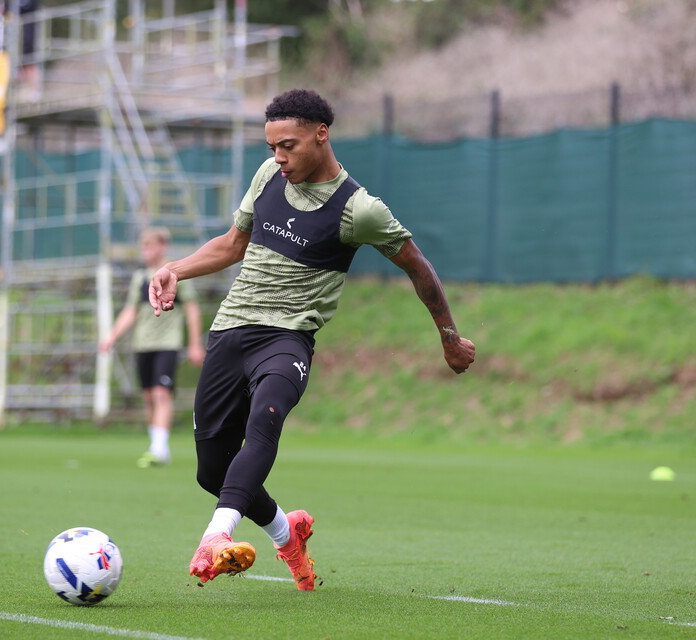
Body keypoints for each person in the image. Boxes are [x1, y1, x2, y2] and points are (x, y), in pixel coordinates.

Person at [148, 89, 476, 591]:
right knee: (212, 473)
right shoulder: (266, 175)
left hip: (287, 339)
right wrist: (174, 269)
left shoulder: (360, 209)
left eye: (289, 146)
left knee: (264, 421)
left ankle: (216, 537)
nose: (278, 158)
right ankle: (288, 531)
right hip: (230, 332)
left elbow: (418, 267)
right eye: (273, 147)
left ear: (321, 134)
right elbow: (232, 244)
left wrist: (449, 336)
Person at [99, 227, 206, 467]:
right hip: (142, 344)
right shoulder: (140, 277)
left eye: (150, 246)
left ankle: (159, 448)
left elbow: (191, 307)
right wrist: (111, 337)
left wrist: (194, 343)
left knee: (161, 393)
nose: (145, 251)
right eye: (143, 246)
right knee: (148, 396)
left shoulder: (174, 273)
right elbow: (131, 310)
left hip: (168, 343)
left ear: (162, 247)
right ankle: (157, 446)